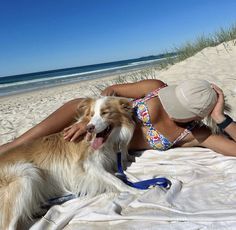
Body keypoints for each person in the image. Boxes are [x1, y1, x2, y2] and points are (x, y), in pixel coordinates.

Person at [0, 79, 236, 156]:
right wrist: (88, 120)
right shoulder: (156, 87)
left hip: (100, 147)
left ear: (196, 116)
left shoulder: (196, 133)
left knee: (31, 154)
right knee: (18, 145)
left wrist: (220, 117)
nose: (167, 103)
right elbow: (111, 91)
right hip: (85, 116)